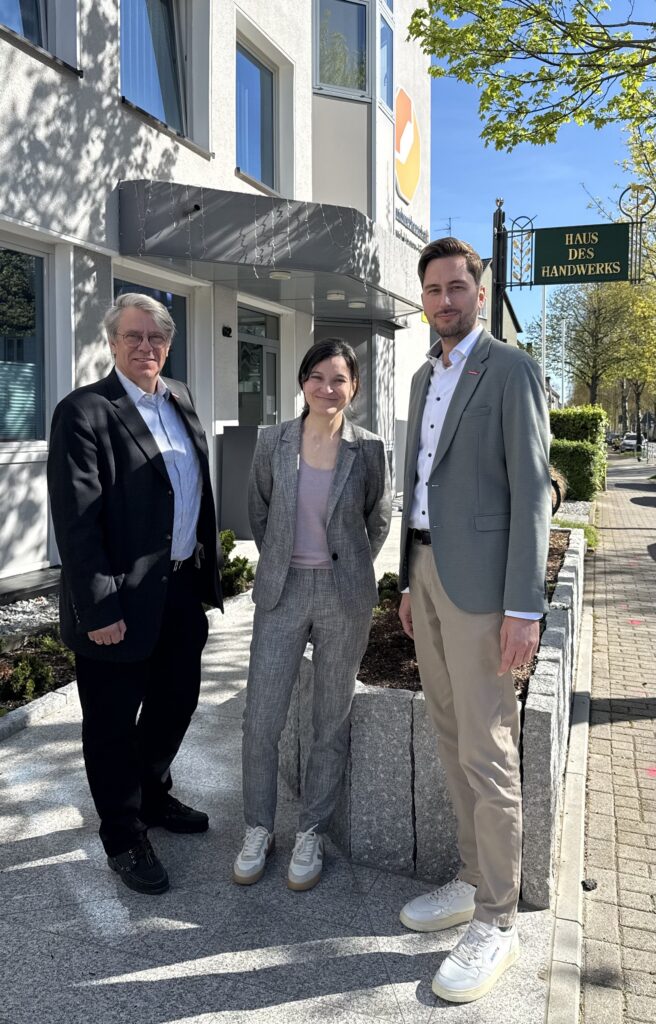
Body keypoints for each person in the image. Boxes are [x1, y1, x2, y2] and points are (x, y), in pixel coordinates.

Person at [397, 238, 551, 1002]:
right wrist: (405, 577)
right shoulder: (425, 374)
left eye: (458, 287)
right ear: (422, 298)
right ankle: (469, 876)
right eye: (433, 289)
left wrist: (524, 606)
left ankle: (497, 916)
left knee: (488, 748)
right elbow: (419, 486)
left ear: (479, 294)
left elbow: (532, 491)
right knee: (451, 734)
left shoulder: (511, 370)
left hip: (487, 590)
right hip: (426, 573)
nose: (445, 300)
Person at [47, 293, 223, 896]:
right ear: (112, 343)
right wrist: (98, 606)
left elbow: (189, 492)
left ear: (169, 345)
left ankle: (153, 796)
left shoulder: (182, 399)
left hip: (177, 589)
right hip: (117, 603)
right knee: (112, 724)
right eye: (133, 336)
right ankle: (122, 835)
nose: (145, 347)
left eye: (156, 337)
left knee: (177, 703)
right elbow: (77, 521)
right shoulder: (85, 411)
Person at [233, 339, 392, 891]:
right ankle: (258, 827)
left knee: (331, 718)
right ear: (302, 381)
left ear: (354, 388)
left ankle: (311, 833)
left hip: (343, 595)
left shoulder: (368, 449)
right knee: (262, 719)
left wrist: (348, 567)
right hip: (282, 591)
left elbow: (379, 518)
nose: (328, 388)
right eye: (318, 377)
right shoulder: (272, 440)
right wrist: (283, 558)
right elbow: (259, 509)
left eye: (340, 379)